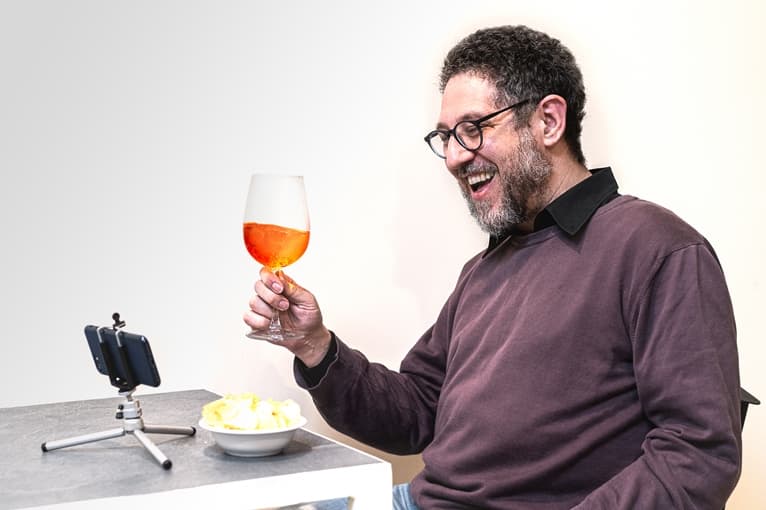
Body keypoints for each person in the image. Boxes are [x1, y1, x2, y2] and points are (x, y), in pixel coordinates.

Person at [244, 25, 741, 509]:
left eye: (473, 129)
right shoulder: (485, 268)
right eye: (445, 137)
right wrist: (315, 346)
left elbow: (697, 452)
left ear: (548, 121)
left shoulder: (658, 248)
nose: (455, 158)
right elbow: (415, 412)